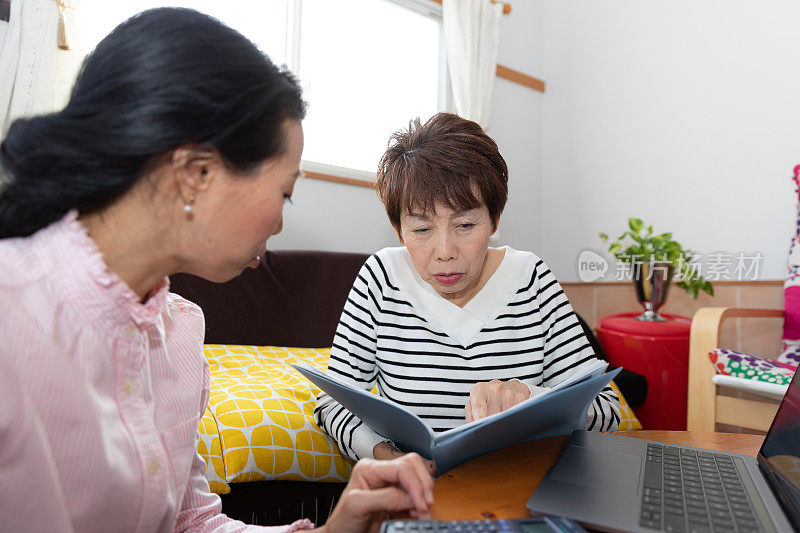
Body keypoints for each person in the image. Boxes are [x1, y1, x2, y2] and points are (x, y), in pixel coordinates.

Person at [0, 8, 433, 532]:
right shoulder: (13, 320)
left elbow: (191, 522)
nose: (278, 222)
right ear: (195, 173)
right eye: (285, 193)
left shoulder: (181, 332)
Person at [314, 113, 621, 470]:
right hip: (413, 496)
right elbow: (332, 404)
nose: (444, 251)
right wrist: (392, 459)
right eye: (421, 229)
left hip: (517, 493)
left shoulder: (531, 278)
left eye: (466, 225)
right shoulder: (380, 278)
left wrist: (530, 398)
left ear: (495, 220)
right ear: (398, 231)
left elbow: (606, 410)